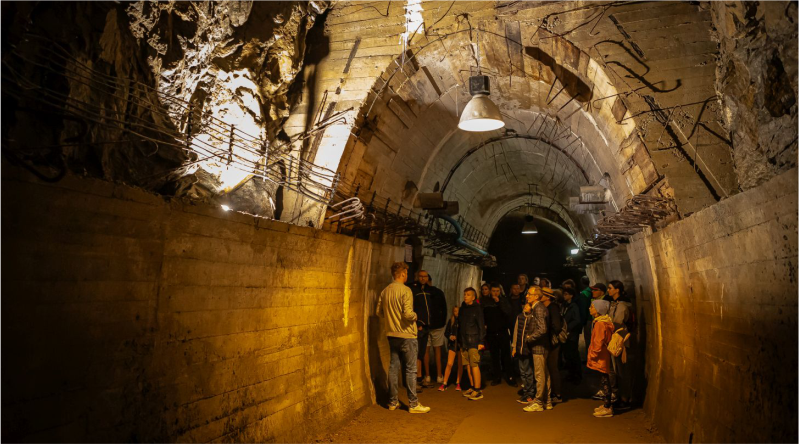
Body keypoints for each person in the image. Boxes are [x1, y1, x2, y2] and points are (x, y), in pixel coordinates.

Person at [376, 262, 430, 413]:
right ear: (402, 274)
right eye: (406, 273)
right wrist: (415, 316)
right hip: (407, 335)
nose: (407, 276)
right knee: (411, 369)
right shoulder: (406, 291)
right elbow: (407, 313)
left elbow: (379, 312)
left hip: (392, 335)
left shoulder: (385, 291)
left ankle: (392, 402)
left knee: (393, 368)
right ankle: (413, 404)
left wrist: (391, 319)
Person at [411, 270, 448, 386]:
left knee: (425, 351)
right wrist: (442, 322)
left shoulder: (419, 292)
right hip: (435, 325)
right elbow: (444, 308)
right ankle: (439, 375)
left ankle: (427, 376)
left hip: (427, 325)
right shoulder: (438, 292)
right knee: (437, 350)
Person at [522, 286, 551, 412]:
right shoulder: (536, 308)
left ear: (536, 296)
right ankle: (547, 401)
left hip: (539, 346)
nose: (527, 296)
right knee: (545, 374)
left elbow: (542, 329)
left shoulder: (538, 309)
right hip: (542, 346)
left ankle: (539, 402)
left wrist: (529, 338)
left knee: (539, 375)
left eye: (529, 294)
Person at [483, 283, 515, 387]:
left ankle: (510, 377)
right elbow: (484, 316)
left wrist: (500, 302)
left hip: (503, 332)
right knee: (494, 356)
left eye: (497, 291)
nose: (495, 293)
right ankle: (497, 376)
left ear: (500, 291)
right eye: (493, 291)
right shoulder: (486, 302)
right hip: (491, 333)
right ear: (490, 291)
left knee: (506, 356)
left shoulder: (504, 301)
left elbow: (508, 312)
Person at [608, 280, 633, 410]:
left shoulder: (622, 306)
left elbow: (617, 322)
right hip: (616, 340)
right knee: (618, 370)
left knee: (623, 370)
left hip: (621, 341)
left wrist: (607, 324)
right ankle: (622, 397)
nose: (608, 290)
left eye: (610, 288)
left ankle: (625, 398)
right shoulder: (616, 304)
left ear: (617, 290)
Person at [587, 299, 615, 418]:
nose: (590, 308)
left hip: (601, 356)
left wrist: (592, 355)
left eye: (592, 307)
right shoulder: (604, 322)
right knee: (604, 379)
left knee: (605, 380)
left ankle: (608, 407)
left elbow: (598, 342)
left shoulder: (600, 324)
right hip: (603, 355)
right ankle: (606, 405)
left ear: (598, 310)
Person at [458, 287, 486, 400]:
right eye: (465, 294)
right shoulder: (463, 308)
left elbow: (481, 325)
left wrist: (481, 341)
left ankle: (478, 390)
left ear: (473, 297)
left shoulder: (477, 309)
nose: (465, 296)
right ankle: (472, 386)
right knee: (468, 366)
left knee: (474, 365)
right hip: (464, 341)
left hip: (473, 340)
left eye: (468, 294)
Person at [511, 288, 537, 404]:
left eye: (528, 306)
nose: (525, 307)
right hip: (520, 349)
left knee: (528, 372)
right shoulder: (520, 317)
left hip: (527, 350)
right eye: (525, 305)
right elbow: (516, 332)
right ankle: (526, 392)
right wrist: (514, 347)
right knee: (522, 372)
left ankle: (530, 393)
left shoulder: (532, 318)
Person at [439, 306, 472, 391]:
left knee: (460, 364)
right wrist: (450, 336)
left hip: (460, 345)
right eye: (455, 311)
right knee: (449, 363)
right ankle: (444, 383)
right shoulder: (451, 321)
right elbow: (446, 333)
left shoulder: (463, 322)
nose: (456, 313)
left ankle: (458, 382)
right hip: (453, 345)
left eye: (458, 311)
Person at [542, 287, 564, 404]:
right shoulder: (547, 307)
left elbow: (557, 326)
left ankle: (558, 394)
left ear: (547, 296)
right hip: (549, 341)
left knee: (552, 367)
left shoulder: (552, 308)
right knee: (550, 367)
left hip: (552, 342)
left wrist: (549, 332)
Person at [561, 287, 583, 383]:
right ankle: (571, 374)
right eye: (564, 294)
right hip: (567, 333)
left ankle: (576, 375)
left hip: (572, 334)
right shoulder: (565, 305)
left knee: (573, 354)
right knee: (568, 354)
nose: (564, 296)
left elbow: (577, 320)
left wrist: (567, 328)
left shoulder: (574, 306)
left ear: (571, 295)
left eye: (566, 294)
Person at [578, 277, 593, 353]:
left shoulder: (583, 294)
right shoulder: (591, 291)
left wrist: (582, 321)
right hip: (592, 317)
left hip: (587, 319)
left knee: (588, 338)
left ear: (582, 283)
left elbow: (583, 308)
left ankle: (589, 356)